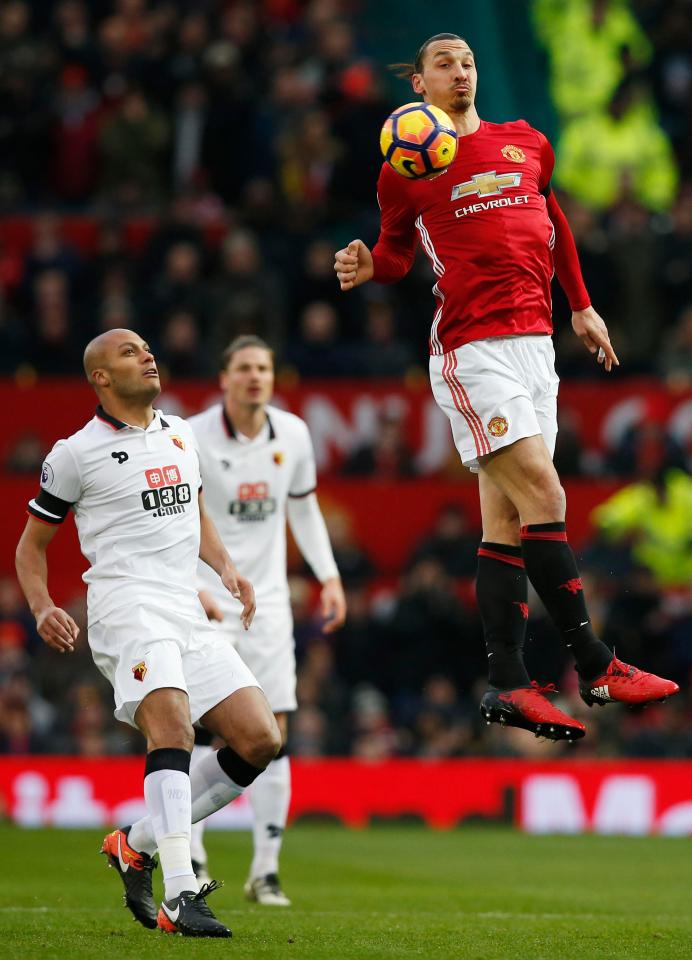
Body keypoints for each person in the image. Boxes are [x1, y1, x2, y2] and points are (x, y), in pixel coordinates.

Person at [334, 33, 678, 741]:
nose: (460, 72)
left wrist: (580, 305)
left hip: (536, 347)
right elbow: (399, 252)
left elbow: (553, 222)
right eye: (444, 65)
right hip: (471, 350)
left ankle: (509, 683)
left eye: (467, 62)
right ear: (419, 85)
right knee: (548, 495)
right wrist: (373, 263)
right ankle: (596, 661)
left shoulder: (526, 142)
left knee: (507, 524)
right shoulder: (405, 168)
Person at [15, 328, 282, 938]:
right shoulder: (74, 454)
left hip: (185, 607)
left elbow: (195, 511)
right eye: (130, 352)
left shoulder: (180, 432)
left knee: (259, 740)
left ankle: (133, 843)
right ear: (101, 378)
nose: (148, 355)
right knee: (173, 728)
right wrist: (41, 606)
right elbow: (30, 550)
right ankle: (181, 895)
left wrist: (227, 570)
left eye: (146, 347)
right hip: (125, 608)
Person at [189, 334, 346, 905]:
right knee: (208, 725)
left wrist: (327, 575)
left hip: (271, 602)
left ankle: (266, 869)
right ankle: (194, 855)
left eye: (264, 367)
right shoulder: (193, 436)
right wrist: (190, 588)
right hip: (208, 597)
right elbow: (178, 520)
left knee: (274, 731)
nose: (256, 376)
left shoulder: (295, 434)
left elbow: (301, 507)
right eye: (244, 368)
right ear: (224, 378)